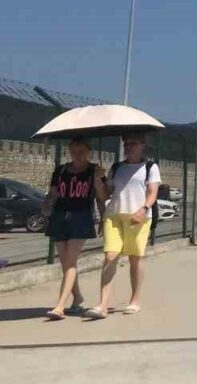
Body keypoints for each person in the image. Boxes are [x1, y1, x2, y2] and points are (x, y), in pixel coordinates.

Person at [84, 133, 161, 319]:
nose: (127, 147)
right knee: (110, 256)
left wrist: (144, 208)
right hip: (114, 216)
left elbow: (152, 192)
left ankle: (134, 300)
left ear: (143, 144)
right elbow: (105, 195)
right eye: (125, 144)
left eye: (132, 144)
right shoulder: (117, 167)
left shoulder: (150, 167)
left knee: (135, 258)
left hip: (138, 217)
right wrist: (98, 179)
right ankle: (102, 305)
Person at [40, 135, 107, 319]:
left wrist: (103, 218)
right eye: (74, 151)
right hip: (60, 217)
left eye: (82, 151)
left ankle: (59, 306)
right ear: (69, 151)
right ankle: (77, 298)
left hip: (82, 217)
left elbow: (101, 197)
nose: (77, 155)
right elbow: (53, 193)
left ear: (88, 152)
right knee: (65, 263)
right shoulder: (60, 171)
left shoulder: (94, 170)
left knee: (70, 261)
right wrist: (46, 204)